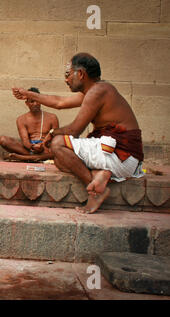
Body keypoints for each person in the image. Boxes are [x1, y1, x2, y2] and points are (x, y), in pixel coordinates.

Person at [25, 53, 144, 214]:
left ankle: (96, 191)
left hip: (122, 156)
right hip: (121, 159)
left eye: (68, 74)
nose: (66, 80)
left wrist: (52, 133)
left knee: (58, 143)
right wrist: (30, 94)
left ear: (80, 74)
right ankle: (101, 174)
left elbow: (75, 130)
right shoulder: (95, 91)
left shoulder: (98, 91)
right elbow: (59, 102)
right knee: (61, 160)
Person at [0, 87, 58, 162]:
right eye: (32, 101)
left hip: (46, 149)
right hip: (30, 149)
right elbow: (25, 141)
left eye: (37, 101)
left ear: (41, 101)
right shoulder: (21, 119)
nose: (35, 104)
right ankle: (36, 157)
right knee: (3, 140)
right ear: (26, 103)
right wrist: (33, 147)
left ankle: (25, 157)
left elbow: (55, 138)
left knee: (58, 149)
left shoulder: (52, 117)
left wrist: (43, 146)